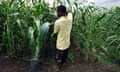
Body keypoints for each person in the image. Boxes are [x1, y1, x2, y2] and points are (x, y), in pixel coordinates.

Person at [52, 5, 73, 71]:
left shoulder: (58, 22)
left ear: (60, 12)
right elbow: (70, 13)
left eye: (57, 12)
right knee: (64, 56)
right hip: (67, 43)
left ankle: (58, 68)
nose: (57, 13)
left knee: (59, 58)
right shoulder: (70, 18)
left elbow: (55, 32)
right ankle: (63, 64)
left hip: (60, 44)